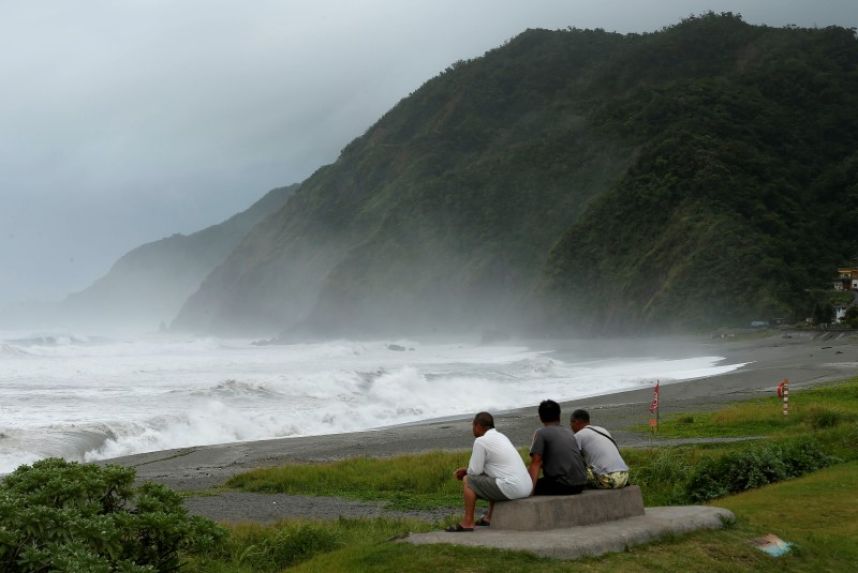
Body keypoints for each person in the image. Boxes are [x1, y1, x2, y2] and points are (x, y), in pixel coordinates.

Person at [448, 411, 531, 531]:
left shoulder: (481, 441)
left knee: (468, 481)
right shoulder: (502, 437)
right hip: (526, 487)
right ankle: (489, 517)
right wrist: (468, 470)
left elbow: (474, 472)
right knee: (491, 477)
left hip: (512, 487)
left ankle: (468, 522)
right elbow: (491, 469)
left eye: (473, 426)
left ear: (478, 426)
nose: (472, 429)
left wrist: (464, 472)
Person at [528, 399, 588, 495]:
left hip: (564, 485)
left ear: (540, 417)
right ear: (559, 416)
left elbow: (536, 462)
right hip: (581, 484)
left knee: (524, 487)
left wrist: (529, 490)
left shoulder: (541, 432)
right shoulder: (568, 432)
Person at [570, 409, 630, 489]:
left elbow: (572, 459)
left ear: (576, 422)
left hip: (609, 479)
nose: (570, 426)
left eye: (571, 423)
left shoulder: (578, 436)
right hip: (625, 476)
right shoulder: (603, 430)